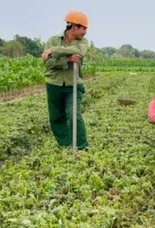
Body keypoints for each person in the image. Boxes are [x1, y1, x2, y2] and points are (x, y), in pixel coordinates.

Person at [41, 11, 90, 151]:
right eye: (83, 28)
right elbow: (48, 63)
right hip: (53, 83)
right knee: (56, 117)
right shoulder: (52, 40)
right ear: (74, 26)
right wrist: (67, 59)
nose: (85, 32)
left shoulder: (83, 42)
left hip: (73, 83)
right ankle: (66, 145)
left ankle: (81, 147)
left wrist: (54, 51)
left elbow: (79, 51)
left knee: (73, 114)